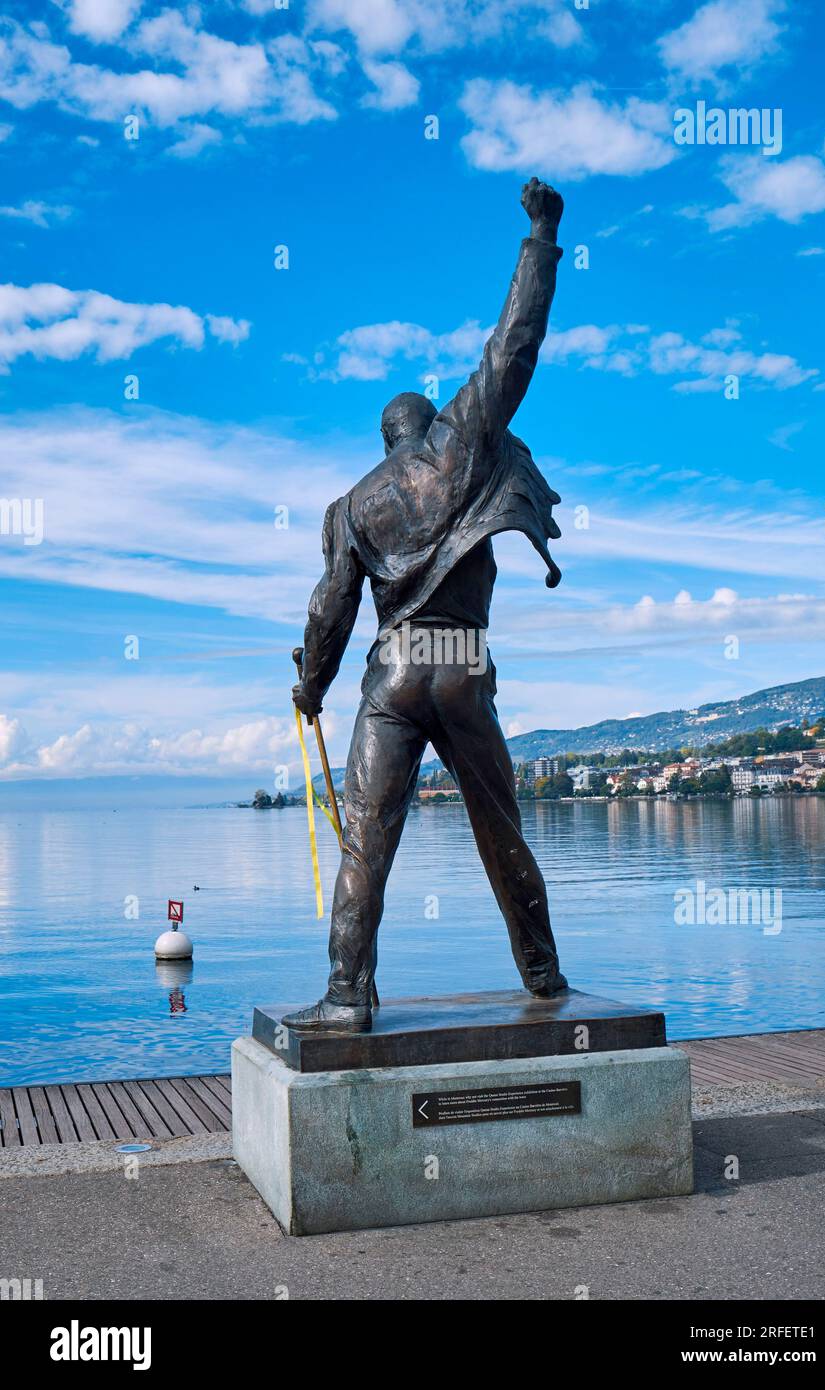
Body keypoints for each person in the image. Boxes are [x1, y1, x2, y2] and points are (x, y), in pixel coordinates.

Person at [287, 178, 569, 1032]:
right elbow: (512, 345)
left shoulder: (350, 508)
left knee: (366, 839)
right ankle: (546, 976)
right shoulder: (463, 442)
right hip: (463, 664)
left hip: (396, 670)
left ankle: (346, 997)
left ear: (383, 438)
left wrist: (310, 689)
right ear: (424, 424)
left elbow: (329, 615)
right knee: (500, 828)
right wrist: (540, 237)